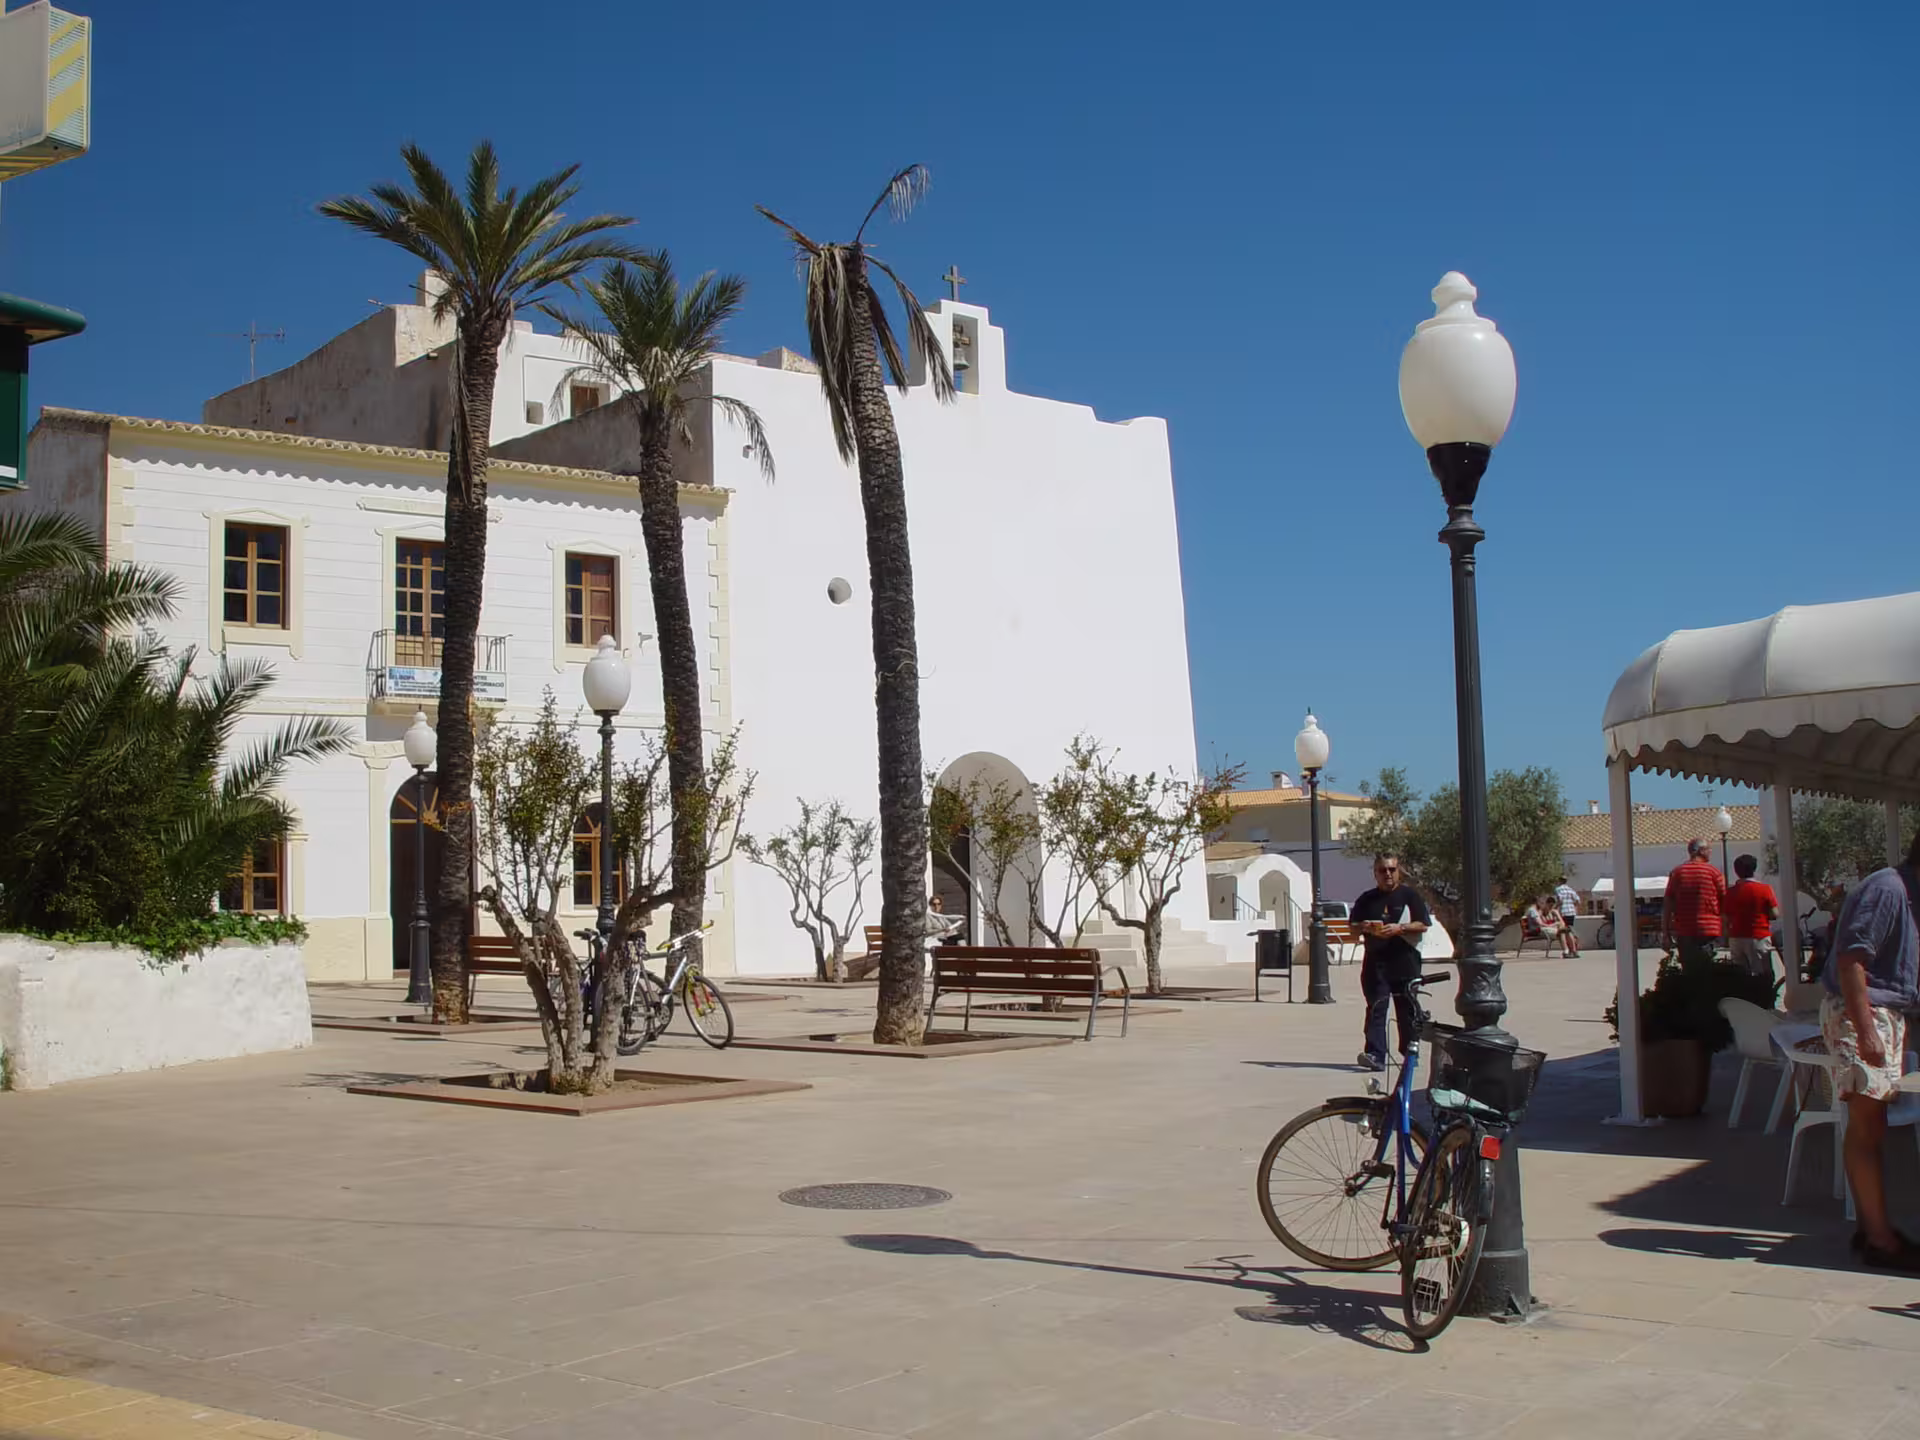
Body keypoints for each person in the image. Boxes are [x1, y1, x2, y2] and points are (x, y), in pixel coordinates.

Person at [1821, 831, 1920, 1271]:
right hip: (1864, 1011)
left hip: (1883, 1012)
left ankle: (1872, 1227)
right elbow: (1851, 961)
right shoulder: (1888, 888)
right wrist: (1866, 1031)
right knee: (1865, 1124)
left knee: (1871, 1125)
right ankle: (1880, 1239)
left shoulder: (1906, 892)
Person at [1351, 854, 1431, 1071]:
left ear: (1398, 871)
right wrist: (1365, 927)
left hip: (1405, 961)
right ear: (1375, 873)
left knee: (1407, 1009)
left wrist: (1400, 928)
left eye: (1391, 869)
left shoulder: (1409, 895)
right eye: (1382, 870)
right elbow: (1353, 927)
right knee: (1377, 1008)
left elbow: (1423, 924)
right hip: (1376, 964)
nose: (1387, 874)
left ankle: (1409, 1053)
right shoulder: (1366, 899)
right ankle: (1375, 1055)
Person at [1662, 839, 1727, 964]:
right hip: (1709, 930)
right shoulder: (1714, 873)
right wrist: (1725, 929)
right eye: (1708, 849)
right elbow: (1724, 901)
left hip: (1684, 929)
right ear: (1701, 851)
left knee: (1689, 971)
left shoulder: (1677, 873)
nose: (1710, 852)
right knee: (1708, 970)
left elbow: (1668, 903)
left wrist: (1666, 932)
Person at [1725, 853, 1779, 980]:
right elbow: (1775, 914)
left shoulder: (1730, 892)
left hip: (1736, 937)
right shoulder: (1764, 889)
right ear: (1754, 869)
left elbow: (1725, 917)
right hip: (1758, 936)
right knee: (1761, 975)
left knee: (1740, 976)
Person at [1555, 877, 1584, 956]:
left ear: (1559, 881)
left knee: (1566, 932)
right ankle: (1573, 950)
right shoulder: (1570, 889)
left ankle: (1571, 950)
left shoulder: (1558, 889)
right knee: (1569, 930)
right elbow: (1578, 901)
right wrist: (1574, 907)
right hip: (1571, 912)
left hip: (1564, 912)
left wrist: (1554, 908)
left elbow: (1560, 901)